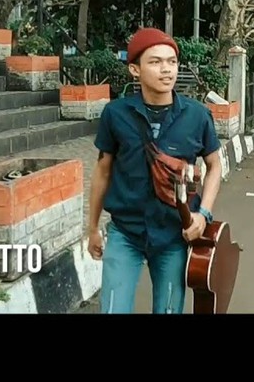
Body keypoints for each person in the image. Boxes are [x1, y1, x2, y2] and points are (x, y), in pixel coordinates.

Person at [86, 28, 224, 314]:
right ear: (135, 69)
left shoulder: (197, 115)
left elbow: (214, 165)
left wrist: (204, 214)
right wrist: (93, 228)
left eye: (172, 62)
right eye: (156, 62)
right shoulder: (116, 114)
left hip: (173, 235)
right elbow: (102, 171)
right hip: (125, 233)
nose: (167, 69)